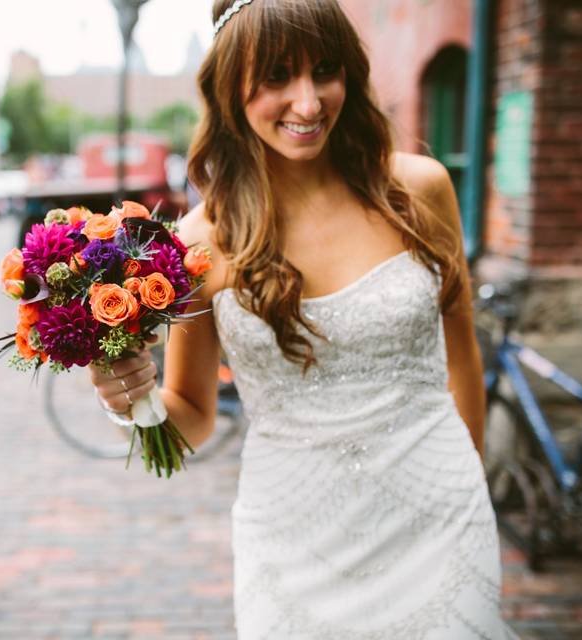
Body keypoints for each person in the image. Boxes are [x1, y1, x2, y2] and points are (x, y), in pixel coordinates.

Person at [90, 1, 517, 637]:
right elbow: (194, 416)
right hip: (292, 541)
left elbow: (462, 359)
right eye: (276, 77)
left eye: (325, 70)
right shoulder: (198, 243)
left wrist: (466, 482)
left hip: (441, 517)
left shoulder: (420, 191)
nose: (309, 103)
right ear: (229, 87)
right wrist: (133, 401)